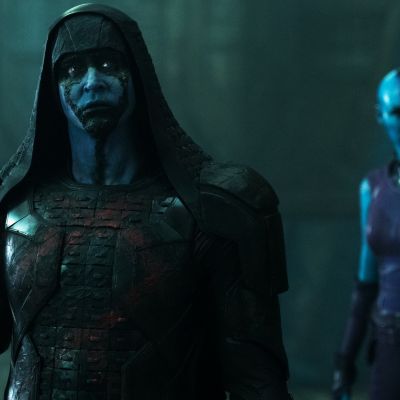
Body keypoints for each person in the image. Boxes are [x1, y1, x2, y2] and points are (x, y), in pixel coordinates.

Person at [0, 4, 292, 399]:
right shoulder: (14, 208)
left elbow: (255, 379)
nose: (92, 83)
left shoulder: (214, 210)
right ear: (52, 89)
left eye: (108, 64)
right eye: (72, 70)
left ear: (138, 73)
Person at [332, 69, 400, 400]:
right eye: (398, 111)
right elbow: (365, 285)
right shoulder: (372, 189)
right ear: (381, 115)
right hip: (388, 346)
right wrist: (344, 361)